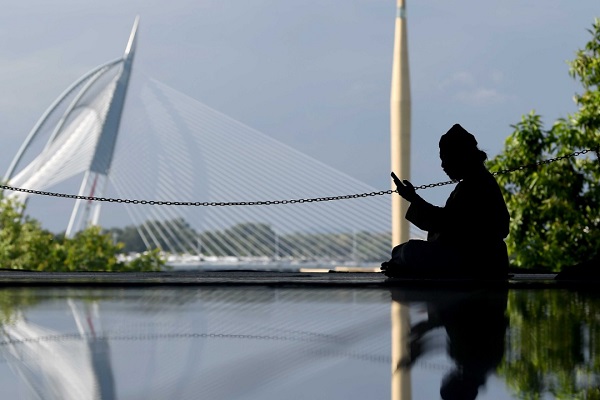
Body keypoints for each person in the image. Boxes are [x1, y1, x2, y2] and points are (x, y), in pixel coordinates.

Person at [381, 124, 510, 279]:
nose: (443, 166)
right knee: (403, 251)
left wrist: (413, 198)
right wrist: (413, 198)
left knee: (408, 251)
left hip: (476, 260)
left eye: (446, 159)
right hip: (482, 258)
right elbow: (448, 220)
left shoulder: (475, 185)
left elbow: (446, 222)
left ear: (461, 157)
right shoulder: (475, 182)